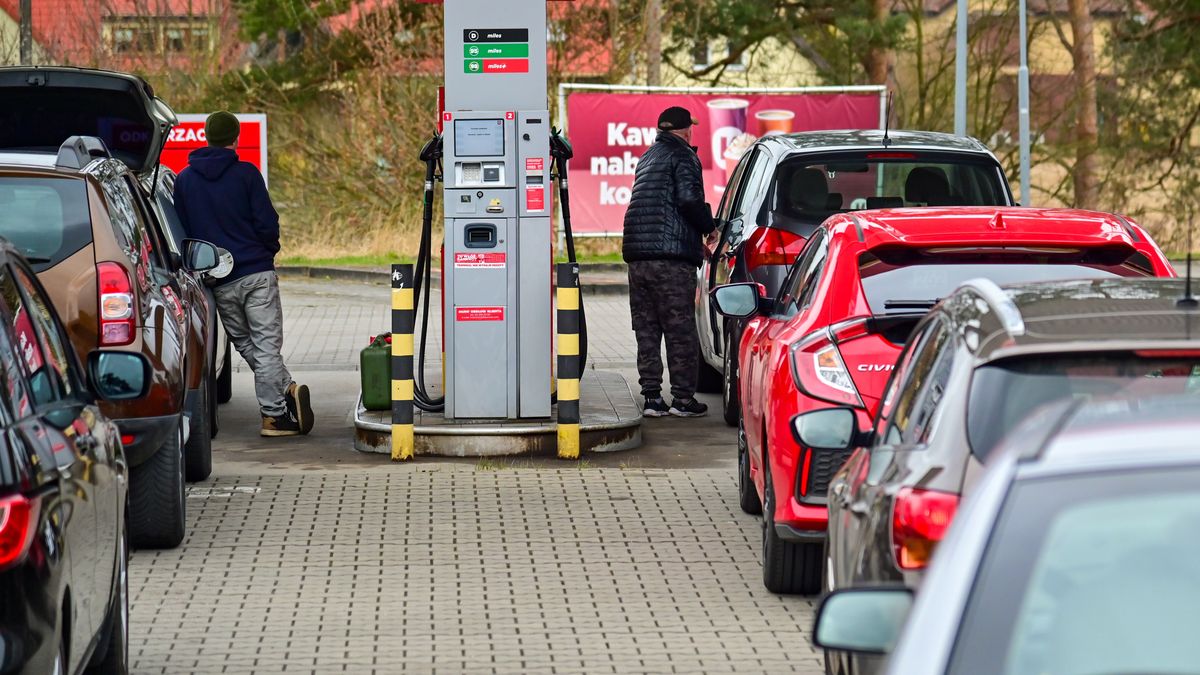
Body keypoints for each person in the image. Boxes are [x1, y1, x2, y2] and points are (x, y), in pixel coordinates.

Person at [173, 111, 314, 437]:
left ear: (206, 137)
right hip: (256, 274)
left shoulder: (184, 180)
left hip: (219, 280)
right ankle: (274, 416)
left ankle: (286, 387)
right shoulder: (247, 174)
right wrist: (267, 252)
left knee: (248, 346)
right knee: (266, 346)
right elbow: (267, 222)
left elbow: (184, 232)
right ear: (236, 138)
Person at [622, 106, 716, 418]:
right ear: (686, 129)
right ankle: (682, 400)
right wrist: (709, 229)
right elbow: (688, 200)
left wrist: (689, 239)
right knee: (680, 330)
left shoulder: (648, 157)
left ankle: (651, 398)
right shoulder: (684, 155)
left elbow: (661, 208)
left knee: (647, 329)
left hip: (639, 257)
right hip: (671, 262)